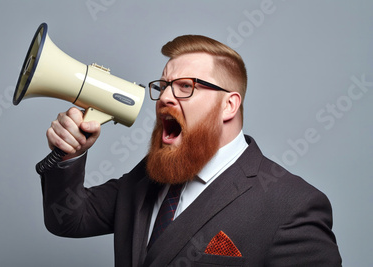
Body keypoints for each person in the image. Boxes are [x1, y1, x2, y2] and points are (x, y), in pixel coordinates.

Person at [39, 35, 342, 266]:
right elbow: (68, 219)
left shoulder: (291, 205)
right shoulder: (146, 178)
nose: (164, 98)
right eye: (163, 86)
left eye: (186, 86)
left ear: (229, 104)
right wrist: (70, 154)